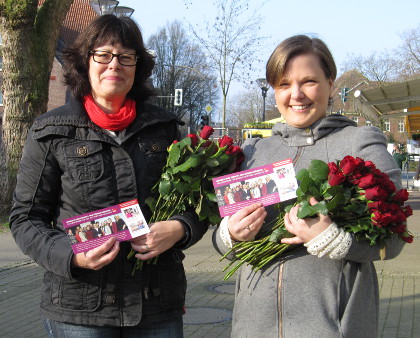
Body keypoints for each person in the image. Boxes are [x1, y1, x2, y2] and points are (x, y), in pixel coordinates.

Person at [10, 15, 208, 337]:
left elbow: (199, 203)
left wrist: (179, 228)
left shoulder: (166, 128)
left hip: (156, 303)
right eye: (103, 54)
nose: (114, 64)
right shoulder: (51, 131)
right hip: (80, 309)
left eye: (126, 57)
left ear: (137, 66)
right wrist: (71, 255)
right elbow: (25, 218)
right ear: (84, 62)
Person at [212, 35, 405, 338]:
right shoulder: (253, 152)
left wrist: (337, 241)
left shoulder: (361, 143)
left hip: (332, 327)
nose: (296, 94)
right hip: (252, 328)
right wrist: (230, 236)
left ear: (330, 82)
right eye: (284, 84)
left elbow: (393, 240)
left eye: (309, 81)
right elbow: (220, 241)